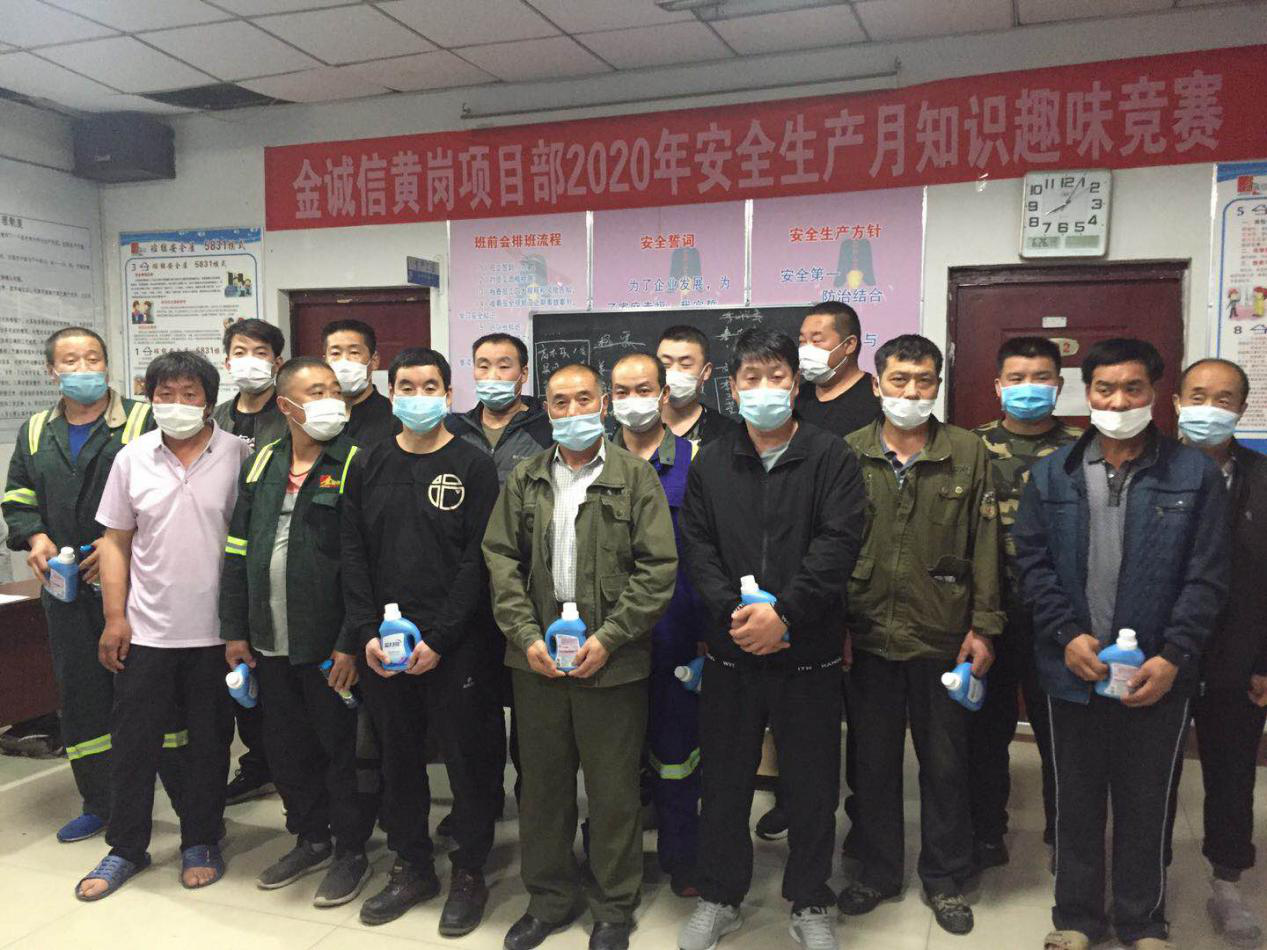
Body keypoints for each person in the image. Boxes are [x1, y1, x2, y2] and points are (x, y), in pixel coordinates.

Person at [1014, 338, 1228, 950]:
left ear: (1154, 394)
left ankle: (1143, 921)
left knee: (1147, 801)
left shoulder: (1193, 474)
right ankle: (1076, 918)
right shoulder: (1052, 472)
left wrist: (1174, 655)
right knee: (1075, 801)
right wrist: (1066, 635)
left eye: (1133, 388)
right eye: (1105, 389)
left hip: (1157, 673)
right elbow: (1032, 564)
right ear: (1087, 393)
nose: (1118, 402)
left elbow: (1207, 576)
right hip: (1073, 667)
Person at [678, 328, 865, 950]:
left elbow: (838, 544)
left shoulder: (831, 456)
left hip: (807, 651)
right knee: (724, 784)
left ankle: (810, 899)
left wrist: (785, 615)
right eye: (751, 379)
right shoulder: (712, 461)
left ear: (796, 383)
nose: (765, 390)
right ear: (732, 389)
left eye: (777, 377)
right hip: (731, 651)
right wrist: (736, 613)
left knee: (811, 786)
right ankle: (720, 896)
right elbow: (698, 546)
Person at [483, 363, 677, 950]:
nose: (572, 411)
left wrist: (610, 637)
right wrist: (526, 636)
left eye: (584, 399)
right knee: (542, 790)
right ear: (547, 408)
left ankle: (614, 906)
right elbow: (500, 559)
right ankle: (548, 900)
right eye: (560, 401)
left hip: (612, 662)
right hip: (536, 661)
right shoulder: (526, 476)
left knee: (614, 792)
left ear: (604, 404)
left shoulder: (634, 476)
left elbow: (658, 569)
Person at [838, 333, 1003, 936]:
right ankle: (877, 872)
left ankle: (945, 877)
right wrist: (834, 625)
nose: (911, 392)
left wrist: (984, 626)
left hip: (943, 633)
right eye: (899, 380)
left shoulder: (967, 451)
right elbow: (831, 544)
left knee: (946, 765)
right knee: (871, 763)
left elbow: (986, 544)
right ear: (877, 384)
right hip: (866, 633)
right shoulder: (848, 451)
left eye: (924, 381)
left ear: (938, 385)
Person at [342, 348, 503, 936]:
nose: (417, 396)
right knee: (397, 758)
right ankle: (411, 864)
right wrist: (366, 632)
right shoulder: (369, 461)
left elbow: (478, 561)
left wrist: (441, 637)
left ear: (448, 393)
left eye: (429, 386)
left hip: (457, 644)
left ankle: (469, 868)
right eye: (406, 386)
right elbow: (353, 553)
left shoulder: (473, 465)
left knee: (468, 759)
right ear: (392, 393)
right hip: (384, 647)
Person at [77, 351, 249, 901]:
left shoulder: (240, 454)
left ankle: (201, 839)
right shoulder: (132, 457)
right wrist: (114, 617)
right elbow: (115, 542)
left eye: (189, 395)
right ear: (150, 398)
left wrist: (242, 627)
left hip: (216, 633)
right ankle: (126, 846)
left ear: (210, 401)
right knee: (133, 743)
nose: (177, 405)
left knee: (210, 744)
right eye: (165, 395)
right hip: (147, 630)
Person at [3, 326, 173, 844]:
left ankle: (183, 799)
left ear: (107, 364)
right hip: (65, 589)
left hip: (137, 582)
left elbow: (172, 491)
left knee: (152, 692)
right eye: (71, 361)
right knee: (81, 694)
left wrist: (119, 542)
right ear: (52, 371)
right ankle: (100, 802)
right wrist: (35, 536)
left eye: (93, 358)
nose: (84, 369)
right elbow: (17, 493)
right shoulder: (37, 430)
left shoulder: (144, 419)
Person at [219, 356, 375, 909]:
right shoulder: (263, 462)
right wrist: (235, 629)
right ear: (286, 405)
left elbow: (366, 565)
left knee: (340, 752)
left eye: (334, 389)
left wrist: (349, 642)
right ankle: (310, 838)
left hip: (328, 646)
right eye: (317, 391)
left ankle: (351, 850)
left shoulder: (357, 461)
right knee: (286, 750)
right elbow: (237, 549)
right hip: (269, 640)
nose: (332, 399)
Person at [756, 301, 881, 844]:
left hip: (857, 578)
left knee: (861, 724)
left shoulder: (874, 402)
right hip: (796, 586)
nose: (805, 347)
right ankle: (791, 801)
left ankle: (862, 822)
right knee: (798, 716)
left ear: (849, 345)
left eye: (817, 337)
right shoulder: (798, 400)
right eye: (802, 337)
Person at [968, 337, 1081, 871]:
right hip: (989, 615)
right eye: (1016, 378)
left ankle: (1066, 836)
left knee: (1062, 734)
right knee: (985, 732)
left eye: (1040, 378)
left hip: (1059, 619)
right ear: (998, 386)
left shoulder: (1083, 447)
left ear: (1059, 385)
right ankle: (986, 832)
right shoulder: (972, 447)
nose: (1028, 388)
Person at [1170, 358, 1267, 947]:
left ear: (1242, 409)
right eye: (1199, 395)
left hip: (1239, 655)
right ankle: (1143, 876)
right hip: (1159, 654)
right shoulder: (1151, 468)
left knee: (1232, 774)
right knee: (1148, 774)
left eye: (1225, 398)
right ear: (1177, 402)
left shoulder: (1260, 478)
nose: (1210, 407)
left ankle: (1228, 883)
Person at [445, 331, 554, 832]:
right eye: (483, 365)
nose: (493, 375)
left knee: (531, 709)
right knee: (474, 708)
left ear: (523, 373)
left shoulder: (548, 429)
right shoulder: (453, 429)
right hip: (466, 593)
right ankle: (479, 804)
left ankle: (534, 802)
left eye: (504, 365)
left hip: (530, 590)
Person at [609, 351, 705, 898]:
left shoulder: (697, 461)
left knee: (676, 757)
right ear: (609, 400)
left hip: (675, 636)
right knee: (612, 759)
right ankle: (613, 863)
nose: (633, 401)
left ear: (664, 394)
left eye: (643, 389)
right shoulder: (590, 460)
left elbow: (710, 553)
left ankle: (682, 857)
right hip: (608, 639)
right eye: (622, 392)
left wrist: (707, 635)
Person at [211, 317, 287, 810]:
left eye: (261, 352)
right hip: (219, 555)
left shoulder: (289, 413)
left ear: (277, 361)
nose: (250, 361)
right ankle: (257, 764)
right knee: (237, 669)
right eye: (241, 351)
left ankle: (283, 764)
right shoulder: (214, 417)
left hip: (272, 555)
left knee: (274, 669)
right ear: (227, 359)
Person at [792, 301, 881, 437]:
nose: (806, 349)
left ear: (849, 344)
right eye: (802, 341)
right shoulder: (796, 398)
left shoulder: (876, 399)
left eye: (817, 340)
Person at [323, 319, 398, 446]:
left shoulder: (394, 418)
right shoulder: (317, 417)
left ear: (374, 361)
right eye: (335, 353)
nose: (344, 361)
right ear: (325, 362)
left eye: (354, 352)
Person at [655, 325, 735, 445]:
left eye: (686, 365)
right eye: (665, 364)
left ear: (706, 371)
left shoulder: (726, 433)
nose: (674, 372)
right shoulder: (638, 425)